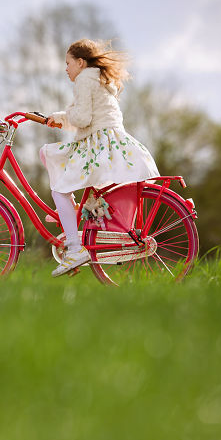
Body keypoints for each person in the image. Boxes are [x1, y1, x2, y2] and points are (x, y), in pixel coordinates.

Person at [42, 39, 160, 277]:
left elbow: (82, 118)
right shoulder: (99, 78)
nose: (66, 69)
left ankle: (74, 249)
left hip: (97, 146)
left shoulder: (84, 79)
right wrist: (60, 118)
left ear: (80, 62)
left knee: (58, 186)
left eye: (67, 63)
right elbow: (89, 117)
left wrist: (63, 116)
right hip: (110, 143)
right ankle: (71, 212)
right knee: (51, 156)